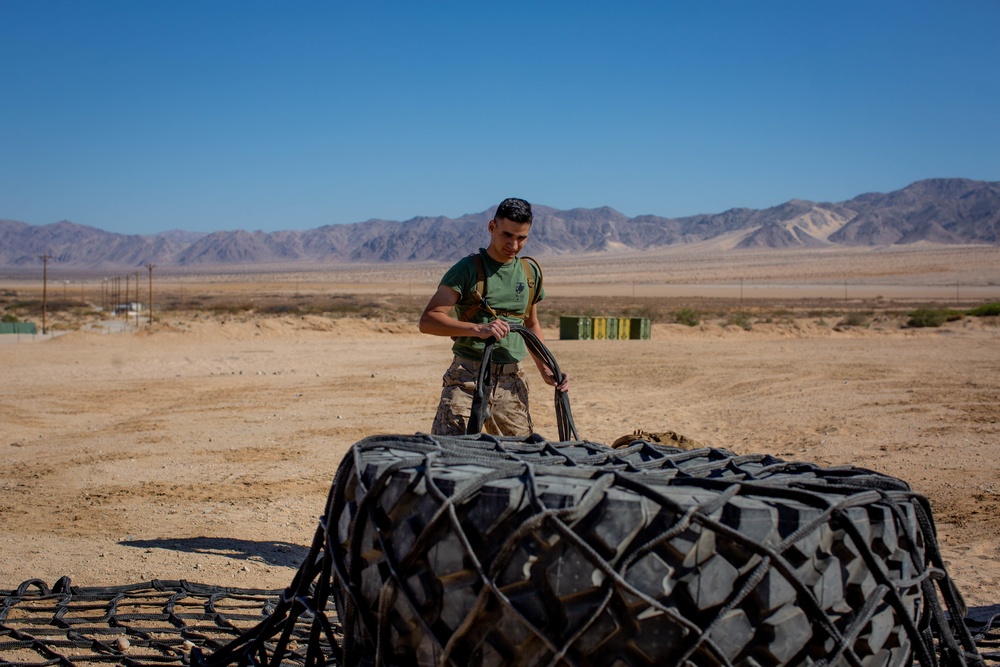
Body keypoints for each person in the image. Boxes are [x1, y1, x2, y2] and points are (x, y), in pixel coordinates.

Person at [419, 197, 569, 436]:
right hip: (467, 379)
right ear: (492, 227)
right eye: (507, 236)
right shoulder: (467, 269)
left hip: (511, 382)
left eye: (522, 238)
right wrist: (479, 330)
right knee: (451, 457)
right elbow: (428, 321)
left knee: (520, 460)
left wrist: (546, 367)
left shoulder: (530, 273)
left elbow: (530, 324)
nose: (514, 245)